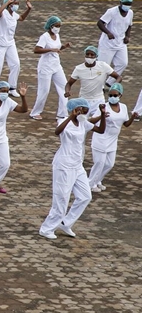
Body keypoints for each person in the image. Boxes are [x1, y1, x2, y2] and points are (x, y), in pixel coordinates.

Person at [39, 99, 106, 240]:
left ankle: (65, 223)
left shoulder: (83, 122)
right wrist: (70, 116)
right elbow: (57, 132)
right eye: (82, 109)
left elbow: (100, 130)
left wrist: (103, 114)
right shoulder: (64, 121)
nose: (84, 112)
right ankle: (46, 229)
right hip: (63, 165)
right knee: (61, 199)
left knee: (85, 196)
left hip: (77, 165)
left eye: (85, 110)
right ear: (74, 109)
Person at [88, 83, 138, 192]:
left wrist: (133, 117)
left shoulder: (123, 107)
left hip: (112, 140)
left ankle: (97, 180)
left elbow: (126, 124)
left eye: (115, 95)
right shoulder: (103, 107)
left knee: (109, 164)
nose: (112, 98)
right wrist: (102, 115)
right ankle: (90, 184)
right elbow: (91, 121)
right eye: (110, 95)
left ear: (120, 95)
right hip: (100, 139)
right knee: (99, 163)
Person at [0, 0, 32, 97]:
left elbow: (22, 18)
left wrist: (29, 9)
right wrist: (6, 3)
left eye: (17, 4)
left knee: (16, 64)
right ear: (9, 5)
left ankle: (12, 87)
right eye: (15, 4)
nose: (16, 6)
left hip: (10, 43)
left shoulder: (14, 15)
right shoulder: (3, 13)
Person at [29, 16, 71, 120]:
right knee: (44, 90)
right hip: (45, 67)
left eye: (59, 26)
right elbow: (36, 50)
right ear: (51, 26)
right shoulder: (44, 37)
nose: (58, 28)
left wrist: (64, 47)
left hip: (56, 65)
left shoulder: (57, 35)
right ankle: (35, 112)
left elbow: (57, 48)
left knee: (64, 87)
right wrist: (50, 50)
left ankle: (62, 113)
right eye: (56, 26)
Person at [64, 46, 121, 115]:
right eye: (87, 54)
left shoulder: (103, 66)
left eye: (92, 55)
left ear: (96, 56)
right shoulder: (79, 69)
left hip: (99, 100)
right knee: (82, 122)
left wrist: (114, 87)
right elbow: (69, 84)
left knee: (99, 122)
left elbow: (118, 77)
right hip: (84, 100)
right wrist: (67, 91)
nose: (89, 56)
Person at [98, 0, 133, 87]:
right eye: (125, 3)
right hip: (107, 44)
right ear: (120, 3)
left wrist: (127, 36)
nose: (127, 5)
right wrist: (108, 32)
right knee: (103, 66)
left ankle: (110, 82)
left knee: (123, 63)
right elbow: (100, 23)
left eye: (129, 4)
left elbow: (129, 25)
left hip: (120, 43)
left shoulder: (130, 13)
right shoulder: (112, 12)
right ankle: (99, 87)